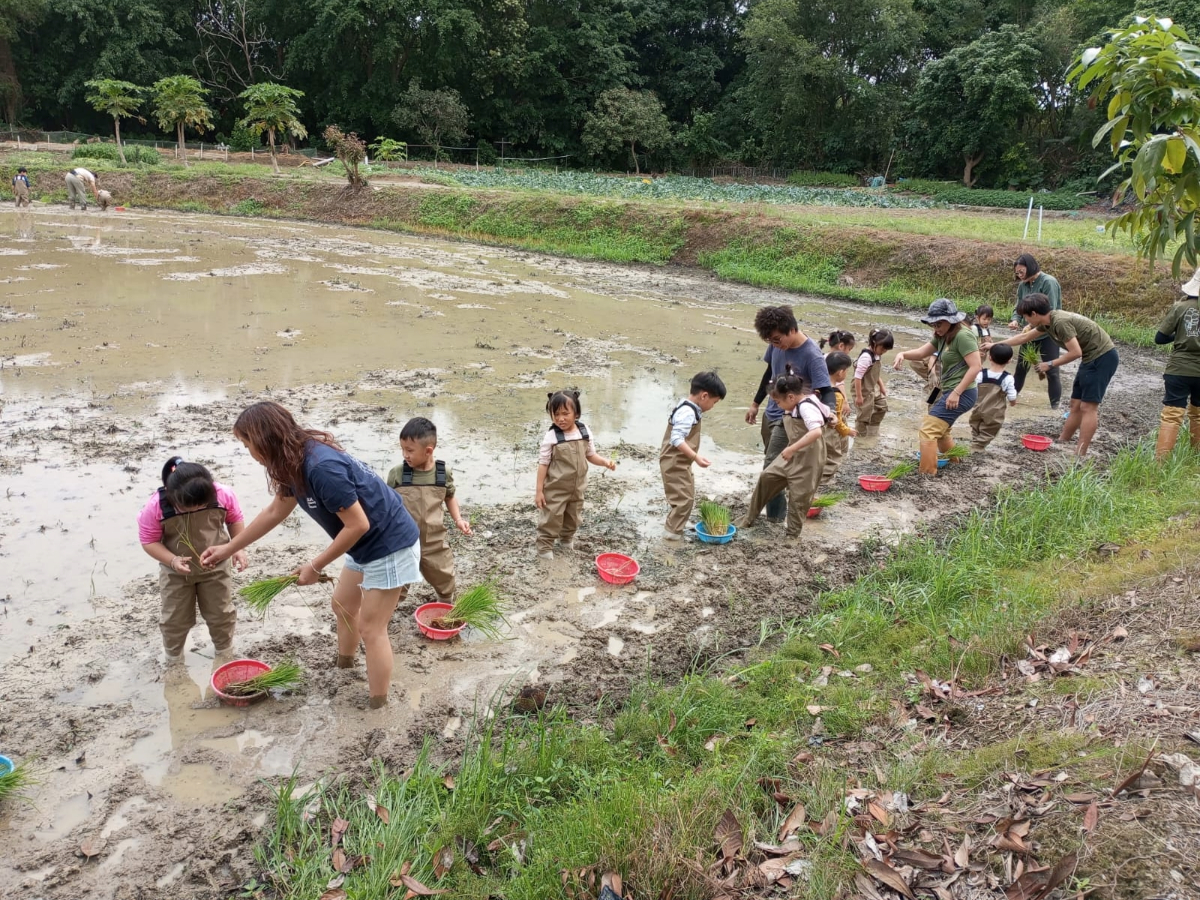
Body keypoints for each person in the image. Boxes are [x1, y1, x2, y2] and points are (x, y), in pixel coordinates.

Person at [200, 401, 421, 709]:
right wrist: (229, 547)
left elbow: (358, 523)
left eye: (247, 444)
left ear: (265, 440)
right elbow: (276, 510)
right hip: (364, 543)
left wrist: (315, 565)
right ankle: (345, 666)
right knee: (342, 604)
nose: (249, 452)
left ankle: (377, 704)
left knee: (372, 628)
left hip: (389, 542)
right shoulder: (291, 461)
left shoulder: (320, 467)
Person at [138, 457, 247, 661]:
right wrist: (172, 561)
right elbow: (148, 541)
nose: (196, 510)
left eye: (201, 505)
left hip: (216, 567)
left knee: (221, 613)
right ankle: (174, 658)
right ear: (173, 497)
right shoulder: (156, 506)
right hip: (176, 573)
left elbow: (234, 519)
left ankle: (224, 653)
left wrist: (237, 548)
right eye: (189, 507)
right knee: (174, 619)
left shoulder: (223, 494)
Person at [987, 294, 1118, 458]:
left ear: (1034, 314)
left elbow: (1075, 352)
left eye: (1026, 317)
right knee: (1075, 404)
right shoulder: (1047, 322)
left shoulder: (1060, 322)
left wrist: (1049, 364)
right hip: (1090, 358)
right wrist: (994, 344)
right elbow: (1024, 337)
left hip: (1102, 358)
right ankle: (1063, 440)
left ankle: (1080, 453)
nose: (1026, 321)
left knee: (1088, 407)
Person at [745, 306, 834, 521]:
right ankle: (779, 510)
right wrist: (756, 403)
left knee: (771, 469)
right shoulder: (776, 346)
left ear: (791, 329)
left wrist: (830, 412)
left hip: (792, 420)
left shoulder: (812, 355)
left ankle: (775, 518)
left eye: (777, 339)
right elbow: (770, 374)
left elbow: (827, 389)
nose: (775, 345)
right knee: (775, 463)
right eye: (770, 341)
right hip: (772, 412)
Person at [385, 417, 471, 603]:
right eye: (402, 449)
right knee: (396, 581)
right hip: (403, 541)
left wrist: (458, 520)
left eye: (409, 450)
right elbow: (387, 504)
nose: (404, 455)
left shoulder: (442, 473)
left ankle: (445, 602)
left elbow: (449, 496)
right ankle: (386, 612)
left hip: (434, 538)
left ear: (428, 450)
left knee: (443, 574)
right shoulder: (398, 473)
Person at [893, 299, 982, 475]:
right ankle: (954, 463)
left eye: (939, 323)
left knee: (928, 430)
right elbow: (921, 353)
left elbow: (976, 366)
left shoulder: (963, 336)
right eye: (933, 324)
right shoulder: (942, 336)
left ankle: (927, 474)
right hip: (951, 390)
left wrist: (956, 393)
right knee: (941, 431)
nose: (936, 328)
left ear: (952, 320)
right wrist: (902, 353)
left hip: (963, 392)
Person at [739, 374, 830, 537]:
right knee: (768, 476)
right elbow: (827, 412)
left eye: (778, 402)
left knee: (799, 496)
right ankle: (749, 518)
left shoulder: (806, 407)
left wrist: (792, 448)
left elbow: (816, 431)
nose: (778, 405)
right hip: (792, 453)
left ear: (791, 396)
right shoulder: (799, 403)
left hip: (809, 457)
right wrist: (833, 418)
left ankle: (792, 535)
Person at [535, 391, 617, 559]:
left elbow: (590, 455)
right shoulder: (552, 436)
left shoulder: (584, 431)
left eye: (565, 413)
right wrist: (539, 491)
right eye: (556, 414)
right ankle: (545, 546)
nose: (560, 419)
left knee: (573, 515)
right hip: (556, 487)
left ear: (576, 413)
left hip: (578, 486)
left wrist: (605, 462)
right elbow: (543, 464)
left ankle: (566, 539)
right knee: (551, 516)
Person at [660, 371, 727, 540]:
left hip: (681, 462)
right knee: (683, 499)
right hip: (674, 462)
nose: (713, 406)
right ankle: (672, 535)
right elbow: (676, 438)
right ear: (704, 396)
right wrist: (696, 457)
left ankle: (677, 526)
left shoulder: (690, 408)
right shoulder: (687, 412)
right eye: (714, 402)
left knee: (686, 494)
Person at [1153, 266, 1200, 459]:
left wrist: (1180, 335)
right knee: (1198, 414)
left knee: (1172, 415)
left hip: (1179, 368)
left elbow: (1160, 338)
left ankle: (1161, 463)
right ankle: (1196, 458)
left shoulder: (1181, 307)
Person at [1010, 253, 1063, 409]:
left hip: (1048, 334)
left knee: (1052, 371)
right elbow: (1019, 305)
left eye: (1021, 272)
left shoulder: (1048, 282)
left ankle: (1055, 407)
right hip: (1030, 334)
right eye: (1017, 273)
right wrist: (1016, 319)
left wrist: (1031, 327)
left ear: (1030, 267)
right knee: (1021, 368)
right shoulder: (1023, 285)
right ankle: (1010, 399)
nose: (1019, 276)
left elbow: (1050, 310)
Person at [969, 344, 1018, 452]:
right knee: (990, 429)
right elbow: (1012, 394)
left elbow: (972, 387)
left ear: (990, 357)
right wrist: (1013, 402)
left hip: (978, 406)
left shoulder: (981, 374)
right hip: (994, 411)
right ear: (1009, 360)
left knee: (975, 424)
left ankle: (975, 441)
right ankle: (978, 446)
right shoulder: (1008, 378)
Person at [820, 351, 857, 485]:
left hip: (817, 428)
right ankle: (823, 481)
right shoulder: (836, 395)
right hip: (830, 431)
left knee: (820, 455)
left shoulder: (818, 387)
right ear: (840, 372)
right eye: (846, 371)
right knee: (833, 457)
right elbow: (837, 420)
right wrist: (847, 431)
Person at [854, 329, 893, 436]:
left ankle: (872, 432)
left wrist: (881, 386)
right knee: (863, 416)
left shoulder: (876, 354)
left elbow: (875, 373)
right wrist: (859, 396)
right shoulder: (866, 357)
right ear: (874, 343)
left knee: (882, 407)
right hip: (862, 389)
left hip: (872, 386)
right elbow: (857, 377)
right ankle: (860, 440)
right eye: (883, 349)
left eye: (886, 350)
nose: (884, 351)